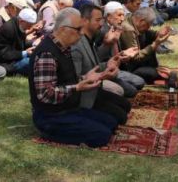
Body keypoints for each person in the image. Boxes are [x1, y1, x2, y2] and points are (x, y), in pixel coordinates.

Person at [28, 8, 118, 147]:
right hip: (50, 116)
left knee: (111, 123)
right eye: (78, 29)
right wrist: (77, 87)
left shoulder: (64, 47)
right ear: (64, 29)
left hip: (67, 109)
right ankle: (49, 133)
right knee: (102, 136)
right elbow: (45, 94)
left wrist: (86, 78)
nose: (82, 33)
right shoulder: (47, 53)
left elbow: (65, 81)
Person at [71, 5, 130, 123]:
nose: (101, 24)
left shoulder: (90, 38)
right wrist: (103, 75)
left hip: (96, 89)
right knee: (118, 119)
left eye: (101, 20)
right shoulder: (77, 45)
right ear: (85, 21)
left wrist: (109, 63)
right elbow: (74, 80)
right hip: (85, 96)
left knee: (126, 105)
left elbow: (94, 64)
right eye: (98, 20)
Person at [118, 8, 172, 84]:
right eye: (148, 25)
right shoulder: (128, 30)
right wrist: (155, 44)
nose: (148, 28)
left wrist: (158, 34)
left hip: (137, 63)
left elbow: (147, 33)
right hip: (130, 68)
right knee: (159, 74)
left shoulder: (132, 18)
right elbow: (135, 58)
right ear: (141, 21)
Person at [0, 8, 38, 75]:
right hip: (4, 63)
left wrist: (34, 44)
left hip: (14, 60)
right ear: (22, 21)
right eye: (29, 25)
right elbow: (3, 54)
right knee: (31, 61)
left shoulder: (19, 26)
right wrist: (25, 53)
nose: (30, 28)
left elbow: (20, 44)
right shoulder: (8, 29)